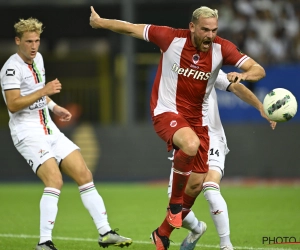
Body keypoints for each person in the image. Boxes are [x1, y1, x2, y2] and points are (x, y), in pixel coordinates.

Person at [89, 6, 275, 250]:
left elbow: (256, 69)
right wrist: (101, 23)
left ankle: (163, 232)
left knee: (197, 183)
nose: (210, 35)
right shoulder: (171, 38)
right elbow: (132, 29)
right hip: (166, 112)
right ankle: (187, 215)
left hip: (199, 124)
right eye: (205, 30)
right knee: (190, 146)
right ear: (192, 27)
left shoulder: (220, 51)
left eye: (214, 30)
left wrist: (245, 76)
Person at [0, 17, 132, 250]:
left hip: (49, 127)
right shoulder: (11, 68)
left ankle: (106, 232)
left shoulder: (38, 59)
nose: (33, 46)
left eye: (37, 40)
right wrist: (45, 90)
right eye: (28, 41)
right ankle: (44, 243)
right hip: (27, 133)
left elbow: (40, 94)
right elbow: (12, 104)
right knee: (55, 180)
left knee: (84, 173)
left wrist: (54, 106)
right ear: (17, 41)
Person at [167, 70, 276, 250]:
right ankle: (197, 229)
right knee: (175, 208)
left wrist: (260, 106)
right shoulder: (167, 77)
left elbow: (235, 87)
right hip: (186, 142)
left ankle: (226, 245)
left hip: (211, 138)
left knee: (210, 188)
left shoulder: (205, 66)